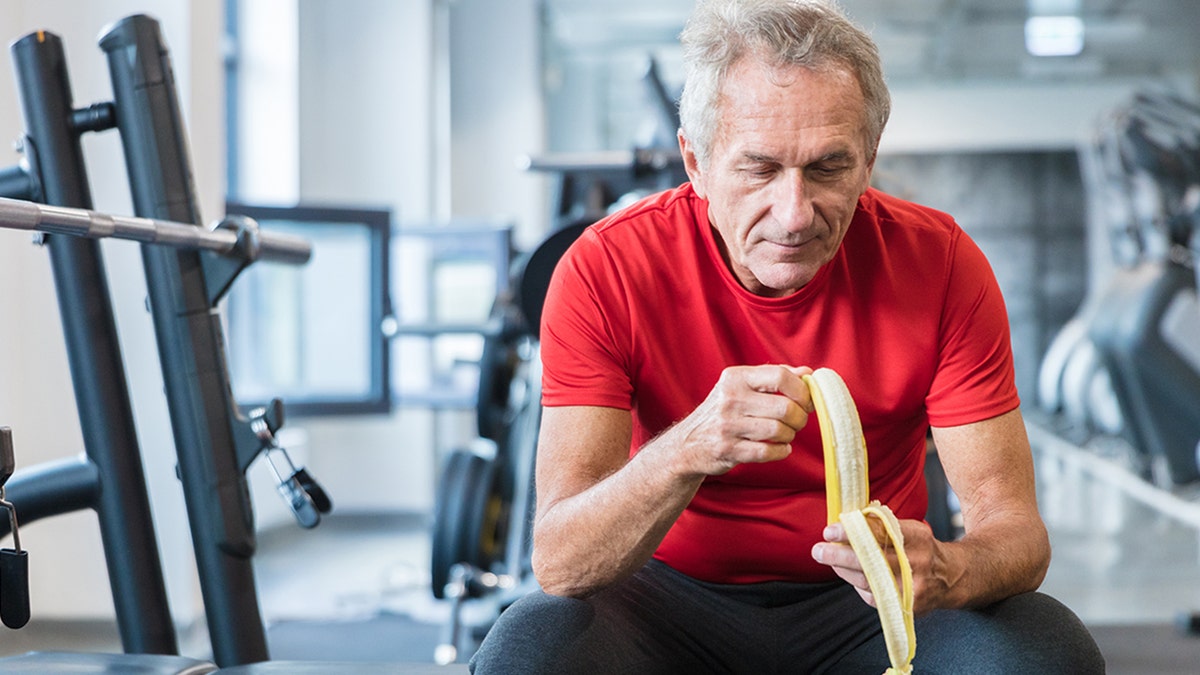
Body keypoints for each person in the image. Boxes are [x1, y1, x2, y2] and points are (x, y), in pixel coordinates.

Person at [471, 0, 1105, 672]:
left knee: (1047, 650)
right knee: (528, 652)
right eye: (759, 169)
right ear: (696, 163)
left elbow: (1017, 533)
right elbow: (561, 559)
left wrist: (949, 568)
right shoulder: (606, 269)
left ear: (869, 159)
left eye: (829, 167)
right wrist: (688, 446)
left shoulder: (940, 262)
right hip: (661, 599)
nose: (795, 213)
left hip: (870, 602)